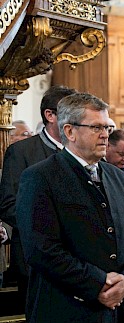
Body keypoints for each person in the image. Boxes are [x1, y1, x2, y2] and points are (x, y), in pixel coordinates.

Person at [15, 92, 124, 323]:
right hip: (65, 321)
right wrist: (98, 284)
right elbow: (41, 249)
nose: (105, 134)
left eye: (107, 127)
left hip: (118, 316)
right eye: (96, 127)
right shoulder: (40, 177)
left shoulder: (119, 177)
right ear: (70, 131)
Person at [0, 85, 77, 307]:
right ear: (50, 115)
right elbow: (8, 205)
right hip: (35, 259)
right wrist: (53, 224)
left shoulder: (80, 150)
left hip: (77, 261)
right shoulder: (22, 152)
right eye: (72, 113)